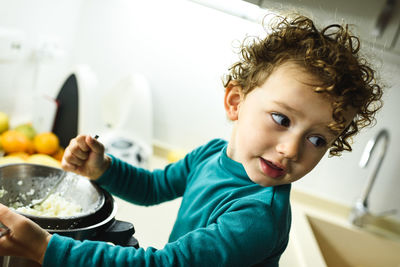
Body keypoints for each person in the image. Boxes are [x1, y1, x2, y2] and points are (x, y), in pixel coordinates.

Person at [0, 13, 383, 266]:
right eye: (281, 119)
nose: (290, 149)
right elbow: (153, 187)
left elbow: (167, 263)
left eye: (317, 140)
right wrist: (103, 168)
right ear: (235, 101)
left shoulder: (258, 216)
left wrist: (47, 249)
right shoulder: (212, 155)